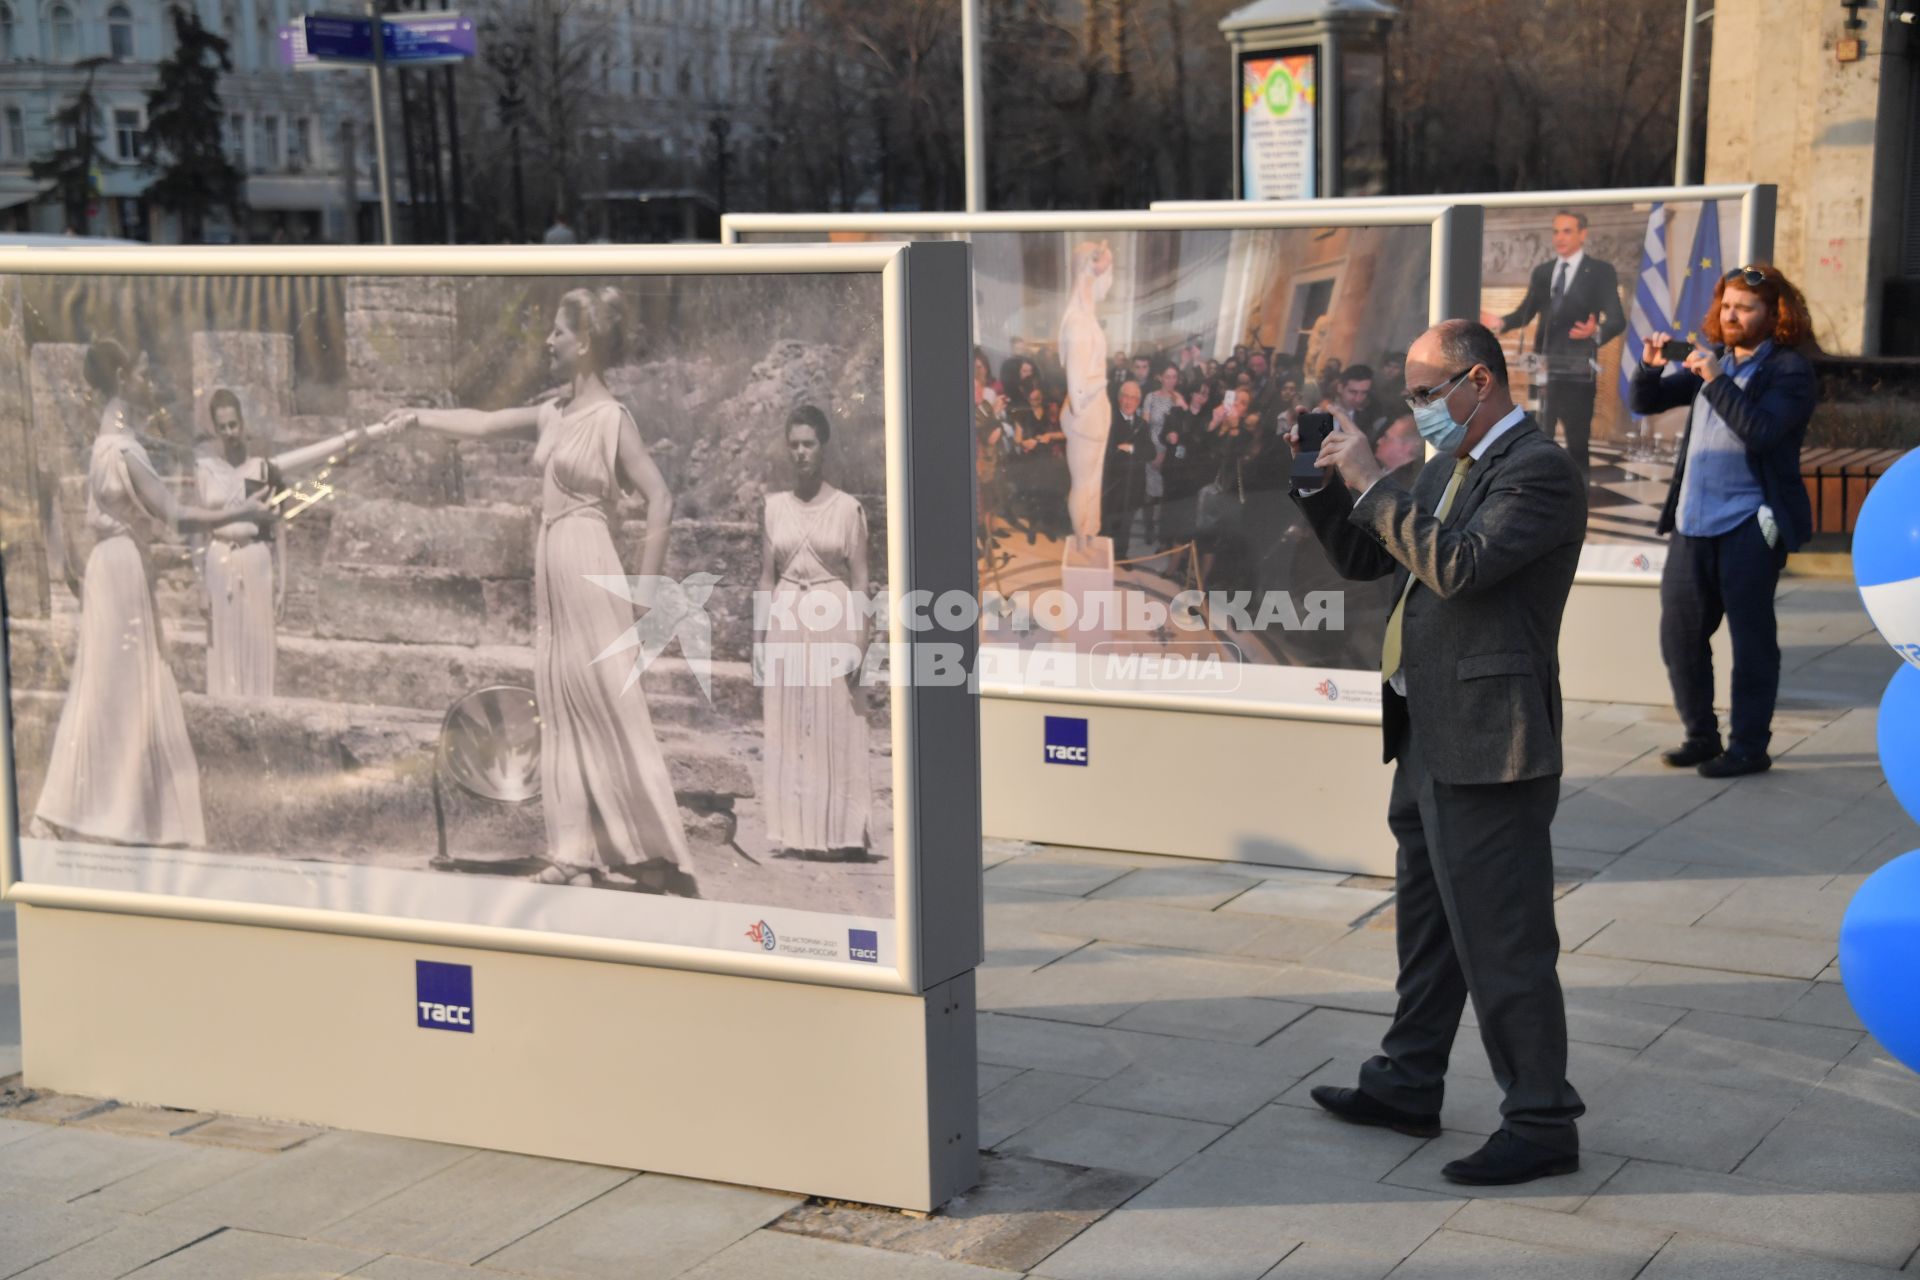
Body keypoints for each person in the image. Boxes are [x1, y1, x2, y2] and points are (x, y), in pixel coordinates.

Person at [1290, 319, 1588, 1187]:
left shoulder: (1537, 472)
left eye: (1427, 393)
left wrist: (1373, 479)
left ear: (1481, 382)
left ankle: (1541, 1119)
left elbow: (1457, 566)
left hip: (1493, 740)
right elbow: (1366, 554)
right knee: (1430, 931)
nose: (1417, 410)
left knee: (1505, 938)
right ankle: (1407, 1082)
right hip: (1426, 731)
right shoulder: (1443, 465)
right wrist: (1320, 483)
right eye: (1412, 395)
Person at [390, 288, 698, 896]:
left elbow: (660, 498)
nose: (547, 342)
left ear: (583, 343)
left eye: (558, 333)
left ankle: (655, 854)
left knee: (612, 702)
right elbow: (480, 424)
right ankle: (574, 852)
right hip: (551, 565)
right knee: (557, 706)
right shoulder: (553, 413)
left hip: (590, 560)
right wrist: (418, 418)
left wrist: (644, 591)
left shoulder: (612, 418)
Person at [35, 340, 273, 848]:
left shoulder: (106, 442)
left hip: (111, 565)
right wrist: (242, 513)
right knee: (122, 687)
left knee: (105, 684)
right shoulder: (123, 449)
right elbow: (176, 514)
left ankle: (90, 808)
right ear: (121, 379)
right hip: (119, 569)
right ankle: (110, 811)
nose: (147, 382)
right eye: (140, 373)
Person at [1631, 264, 1819, 778]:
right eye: (1727, 306)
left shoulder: (1788, 372)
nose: (1732, 316)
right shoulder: (1715, 361)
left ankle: (1749, 747)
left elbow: (1760, 433)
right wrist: (1649, 367)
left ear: (1774, 315)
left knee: (1752, 640)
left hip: (1749, 524)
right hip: (1693, 522)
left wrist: (1714, 381)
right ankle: (1701, 735)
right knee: (1680, 637)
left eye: (1746, 308)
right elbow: (1644, 402)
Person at [758, 406, 874, 860]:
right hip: (787, 615)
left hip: (833, 616)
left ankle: (842, 834)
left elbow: (862, 579)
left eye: (809, 443)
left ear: (823, 448)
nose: (801, 452)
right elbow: (766, 577)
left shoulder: (848, 509)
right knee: (789, 724)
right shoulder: (772, 509)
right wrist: (758, 641)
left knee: (837, 721)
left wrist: (861, 640)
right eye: (794, 444)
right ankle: (796, 832)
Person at [1486, 210, 1626, 476]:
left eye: (1567, 231)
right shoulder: (1543, 272)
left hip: (1578, 372)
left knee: (1577, 443)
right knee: (1539, 439)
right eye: (1556, 231)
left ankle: (1578, 503)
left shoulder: (1600, 271)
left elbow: (1617, 319)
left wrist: (1596, 331)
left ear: (1582, 234)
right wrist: (1501, 323)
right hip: (1543, 370)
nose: (1559, 237)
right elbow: (1524, 313)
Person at [195, 389, 284, 698]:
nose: (230, 433)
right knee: (224, 646)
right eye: (223, 427)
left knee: (256, 644)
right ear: (215, 430)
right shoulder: (205, 469)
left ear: (242, 423)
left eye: (234, 425)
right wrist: (200, 585)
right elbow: (199, 527)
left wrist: (283, 581)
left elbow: (277, 524)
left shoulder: (261, 468)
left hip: (254, 558)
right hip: (219, 560)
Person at [1060, 241, 1115, 552]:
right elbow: (1078, 393)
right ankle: (1080, 541)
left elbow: (1105, 285)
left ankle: (1089, 536)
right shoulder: (1079, 325)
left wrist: (1106, 260)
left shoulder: (1088, 319)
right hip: (1085, 417)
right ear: (1085, 274)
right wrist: (1102, 381)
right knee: (1083, 484)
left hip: (1096, 416)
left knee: (1093, 482)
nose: (1100, 285)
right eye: (1096, 276)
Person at [1102, 380, 1152, 557]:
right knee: (1108, 522)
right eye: (1125, 396)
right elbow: (1106, 451)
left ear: (1138, 401)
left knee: (1127, 523)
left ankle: (1122, 554)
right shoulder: (1108, 420)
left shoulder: (1142, 424)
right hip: (1113, 484)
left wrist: (1132, 449)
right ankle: (1104, 555)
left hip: (1134, 484)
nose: (1128, 401)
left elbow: (1151, 452)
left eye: (1133, 398)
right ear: (1119, 398)